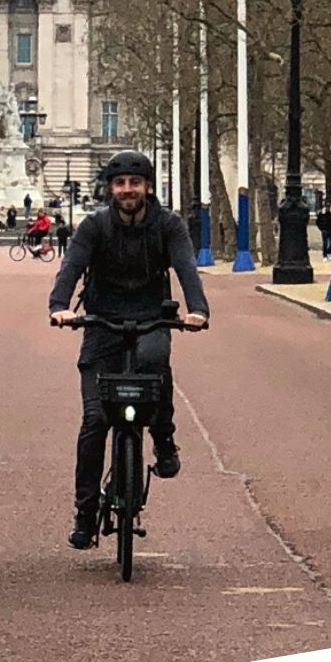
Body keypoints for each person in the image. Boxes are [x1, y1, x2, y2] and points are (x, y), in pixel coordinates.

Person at [48, 150, 208, 550]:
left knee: (156, 361)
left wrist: (198, 310)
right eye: (120, 184)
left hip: (152, 314)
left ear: (147, 187)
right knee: (94, 420)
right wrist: (59, 307)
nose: (127, 190)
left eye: (134, 183)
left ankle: (164, 437)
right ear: (110, 189)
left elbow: (185, 267)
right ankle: (85, 514)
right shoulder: (94, 226)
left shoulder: (168, 225)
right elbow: (72, 267)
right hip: (102, 320)